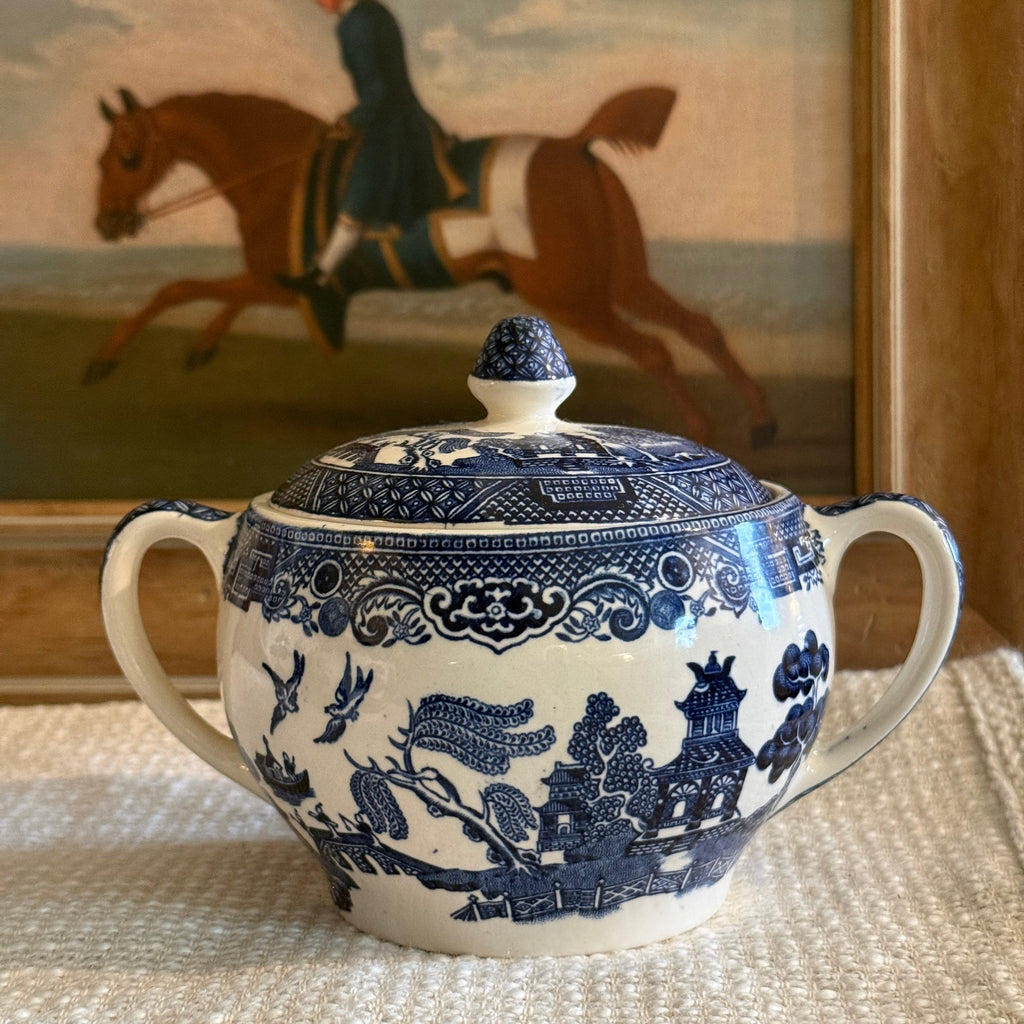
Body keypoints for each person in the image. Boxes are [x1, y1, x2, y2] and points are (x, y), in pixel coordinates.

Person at [279, 0, 464, 295]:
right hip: (404, 118)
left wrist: (353, 121)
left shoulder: (357, 23)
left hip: (389, 125)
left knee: (358, 199)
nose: (316, 2)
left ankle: (321, 276)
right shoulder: (373, 13)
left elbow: (378, 91)